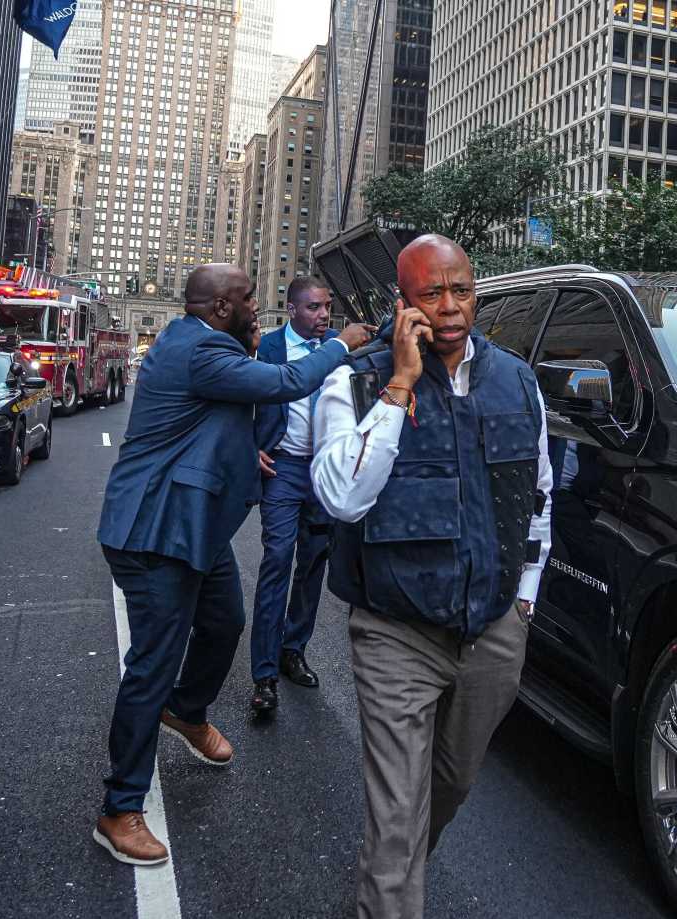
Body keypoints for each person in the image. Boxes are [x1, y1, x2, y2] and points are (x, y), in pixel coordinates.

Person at [93, 264, 373, 866]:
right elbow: (288, 380)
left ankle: (186, 711)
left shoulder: (205, 344)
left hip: (196, 527)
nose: (257, 305)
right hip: (156, 531)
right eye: (249, 297)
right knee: (151, 665)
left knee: (224, 623)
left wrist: (248, 451)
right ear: (222, 307)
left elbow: (205, 421)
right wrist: (339, 344)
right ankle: (120, 809)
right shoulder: (202, 352)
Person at [311, 235, 553, 919]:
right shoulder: (354, 380)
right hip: (396, 633)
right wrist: (400, 383)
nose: (450, 308)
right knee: (394, 819)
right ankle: (388, 894)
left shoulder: (516, 380)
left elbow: (538, 496)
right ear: (403, 302)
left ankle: (393, 877)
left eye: (462, 291)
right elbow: (340, 497)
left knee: (449, 784)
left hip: (494, 629)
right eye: (431, 294)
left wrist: (525, 602)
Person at [249, 276, 339, 712]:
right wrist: (251, 447)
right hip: (282, 468)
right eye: (314, 308)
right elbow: (242, 399)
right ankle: (263, 675)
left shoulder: (340, 346)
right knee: (278, 560)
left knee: (313, 564)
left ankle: (292, 649)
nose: (323, 315)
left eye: (327, 307)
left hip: (324, 472)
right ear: (291, 310)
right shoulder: (268, 348)